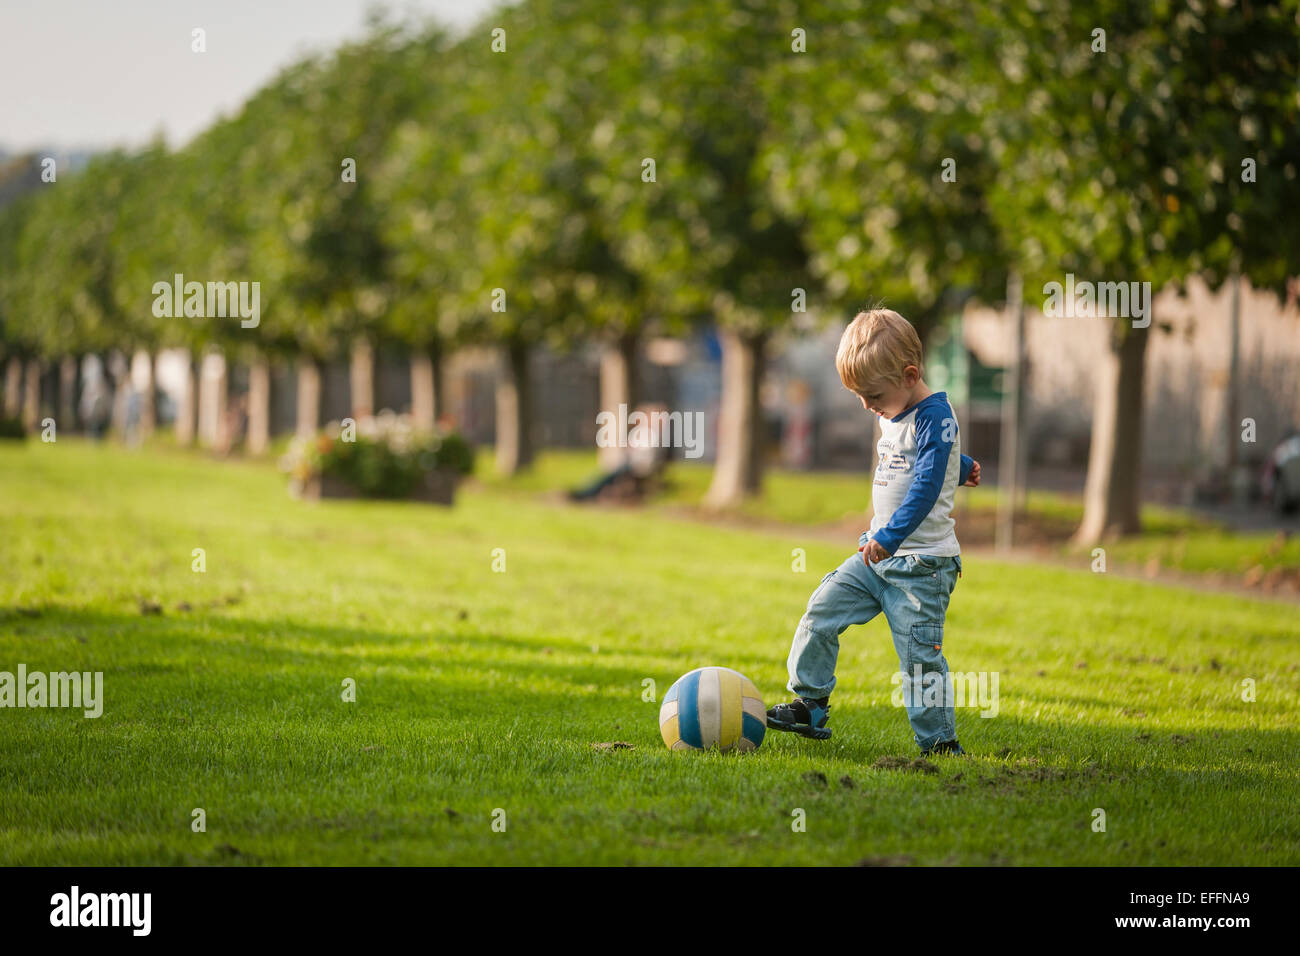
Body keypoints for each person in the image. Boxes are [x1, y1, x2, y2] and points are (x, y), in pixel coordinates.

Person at [766, 308, 981, 756]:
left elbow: (924, 484)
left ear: (909, 375)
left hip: (921, 564)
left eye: (872, 394)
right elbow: (917, 461)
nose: (866, 405)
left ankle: (940, 744)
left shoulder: (936, 415)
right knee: (821, 609)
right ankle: (811, 703)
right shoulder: (893, 410)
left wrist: (891, 536)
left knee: (920, 658)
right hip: (876, 557)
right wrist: (960, 468)